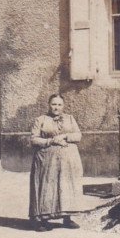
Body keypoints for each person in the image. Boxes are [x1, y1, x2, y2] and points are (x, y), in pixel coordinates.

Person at [29, 93, 84, 231]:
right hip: (46, 161)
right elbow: (34, 139)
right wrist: (51, 140)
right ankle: (43, 219)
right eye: (54, 104)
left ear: (63, 106)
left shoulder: (70, 119)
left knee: (67, 186)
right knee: (47, 187)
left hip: (68, 160)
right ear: (49, 105)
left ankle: (67, 218)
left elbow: (78, 135)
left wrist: (65, 136)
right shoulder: (41, 120)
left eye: (59, 104)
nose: (56, 107)